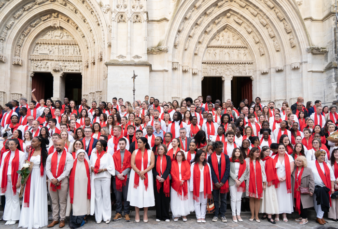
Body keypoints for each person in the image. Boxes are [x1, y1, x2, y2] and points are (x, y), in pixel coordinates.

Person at [19, 137, 48, 229]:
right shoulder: (30, 152)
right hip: (30, 175)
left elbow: (47, 166)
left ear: (39, 143)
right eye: (32, 141)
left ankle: (38, 220)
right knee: (31, 195)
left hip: (40, 176)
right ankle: (28, 220)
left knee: (38, 195)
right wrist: (23, 178)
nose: (32, 142)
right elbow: (26, 164)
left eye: (34, 141)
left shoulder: (44, 153)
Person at [46, 139, 74, 228]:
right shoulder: (50, 156)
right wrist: (52, 179)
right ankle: (55, 219)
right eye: (56, 145)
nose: (57, 146)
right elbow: (47, 169)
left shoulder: (68, 156)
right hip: (51, 181)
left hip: (63, 180)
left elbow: (67, 170)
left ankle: (62, 219)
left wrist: (58, 179)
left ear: (64, 145)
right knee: (54, 201)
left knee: (62, 201)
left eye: (59, 145)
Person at [127, 137, 155, 222]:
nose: (138, 144)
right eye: (137, 142)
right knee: (137, 192)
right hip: (136, 174)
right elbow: (132, 164)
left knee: (146, 193)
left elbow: (152, 164)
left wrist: (143, 172)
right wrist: (140, 172)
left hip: (147, 175)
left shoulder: (150, 152)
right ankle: (137, 214)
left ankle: (145, 214)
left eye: (140, 142)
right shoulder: (134, 152)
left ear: (145, 143)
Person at [0, 139, 25, 225]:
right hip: (6, 177)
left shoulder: (22, 154)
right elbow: (2, 167)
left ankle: (14, 217)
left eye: (12, 144)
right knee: (8, 198)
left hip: (15, 178)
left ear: (16, 145)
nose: (10, 146)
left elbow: (22, 169)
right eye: (9, 144)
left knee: (15, 198)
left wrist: (19, 181)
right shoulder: (5, 154)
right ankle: (7, 217)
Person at [90, 140, 115, 224]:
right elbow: (90, 164)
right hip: (96, 177)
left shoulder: (108, 155)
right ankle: (98, 217)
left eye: (99, 144)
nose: (97, 146)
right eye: (96, 144)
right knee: (97, 197)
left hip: (105, 177)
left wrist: (103, 169)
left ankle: (106, 216)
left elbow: (111, 166)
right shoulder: (93, 155)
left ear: (103, 146)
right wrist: (92, 168)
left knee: (106, 196)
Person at [66, 149, 91, 228]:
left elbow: (90, 173)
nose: (82, 157)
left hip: (84, 186)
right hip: (75, 186)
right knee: (76, 202)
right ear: (77, 155)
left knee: (83, 201)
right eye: (80, 155)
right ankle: (74, 218)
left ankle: (82, 217)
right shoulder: (73, 162)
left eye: (83, 155)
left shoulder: (88, 163)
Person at [309, 150, 335, 225]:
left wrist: (332, 188)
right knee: (317, 202)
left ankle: (320, 217)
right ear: (317, 156)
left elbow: (332, 177)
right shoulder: (311, 163)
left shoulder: (327, 164)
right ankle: (319, 217)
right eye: (321, 155)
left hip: (326, 186)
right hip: (316, 186)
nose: (323, 157)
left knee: (323, 202)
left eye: (324, 155)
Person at [208, 141, 230, 223]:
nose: (221, 148)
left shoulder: (226, 157)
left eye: (222, 147)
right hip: (215, 182)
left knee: (223, 199)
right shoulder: (210, 157)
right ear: (215, 148)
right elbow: (211, 170)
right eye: (220, 147)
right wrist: (216, 181)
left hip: (224, 182)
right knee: (216, 199)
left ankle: (223, 214)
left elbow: (227, 170)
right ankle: (216, 214)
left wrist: (223, 182)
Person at [273, 144, 295, 222]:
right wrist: (277, 178)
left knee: (285, 197)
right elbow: (271, 169)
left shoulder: (289, 157)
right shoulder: (273, 158)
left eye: (283, 148)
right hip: (276, 180)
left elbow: (291, 169)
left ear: (285, 149)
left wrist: (285, 177)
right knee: (277, 197)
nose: (281, 149)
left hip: (286, 180)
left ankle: (284, 214)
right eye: (280, 148)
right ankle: (277, 214)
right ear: (277, 149)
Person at [190, 150, 212, 223]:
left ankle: (203, 216)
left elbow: (210, 177)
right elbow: (191, 177)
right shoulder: (193, 165)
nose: (203, 157)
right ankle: (198, 217)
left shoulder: (207, 165)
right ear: (198, 156)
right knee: (197, 202)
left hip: (205, 186)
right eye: (201, 155)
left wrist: (210, 187)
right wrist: (191, 187)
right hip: (196, 186)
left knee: (204, 202)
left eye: (204, 155)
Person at [170, 150, 193, 221]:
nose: (178, 157)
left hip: (184, 183)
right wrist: (177, 181)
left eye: (180, 155)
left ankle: (184, 214)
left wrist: (182, 180)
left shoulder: (186, 163)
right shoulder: (173, 163)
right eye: (177, 155)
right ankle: (176, 214)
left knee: (183, 199)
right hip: (175, 183)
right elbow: (172, 173)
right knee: (176, 199)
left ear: (183, 156)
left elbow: (188, 172)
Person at [112, 138, 131, 222]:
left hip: (126, 177)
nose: (121, 145)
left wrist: (123, 174)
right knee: (118, 196)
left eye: (123, 144)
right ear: (118, 145)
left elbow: (130, 165)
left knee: (126, 196)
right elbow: (112, 166)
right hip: (117, 177)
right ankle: (118, 212)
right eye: (120, 144)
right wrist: (118, 174)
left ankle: (126, 212)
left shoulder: (129, 154)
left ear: (126, 144)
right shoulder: (114, 154)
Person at [245, 147, 266, 222]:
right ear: (252, 152)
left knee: (257, 199)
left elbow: (263, 173)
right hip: (250, 182)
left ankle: (257, 216)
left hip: (259, 182)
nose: (258, 153)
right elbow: (245, 172)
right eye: (256, 152)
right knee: (251, 199)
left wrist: (264, 183)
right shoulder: (247, 160)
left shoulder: (261, 161)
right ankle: (252, 215)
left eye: (258, 152)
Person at [292, 155, 314, 225]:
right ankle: (301, 216)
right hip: (295, 189)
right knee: (298, 203)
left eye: (300, 161)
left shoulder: (308, 170)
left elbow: (311, 180)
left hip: (304, 190)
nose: (298, 162)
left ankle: (305, 218)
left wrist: (311, 189)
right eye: (297, 160)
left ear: (303, 162)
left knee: (303, 204)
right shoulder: (294, 168)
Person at [259, 146, 279, 224]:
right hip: (261, 180)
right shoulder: (260, 160)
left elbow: (273, 171)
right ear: (262, 151)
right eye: (266, 151)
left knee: (269, 197)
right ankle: (264, 213)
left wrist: (270, 180)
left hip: (269, 181)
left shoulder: (271, 159)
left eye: (269, 151)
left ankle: (269, 215)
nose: (268, 153)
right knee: (263, 198)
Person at [153, 144, 171, 222]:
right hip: (157, 180)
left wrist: (163, 177)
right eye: (159, 149)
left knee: (165, 199)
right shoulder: (155, 157)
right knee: (158, 198)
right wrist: (157, 176)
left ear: (164, 150)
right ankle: (158, 216)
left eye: (161, 149)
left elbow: (168, 168)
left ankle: (166, 216)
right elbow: (153, 169)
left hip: (165, 180)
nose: (160, 150)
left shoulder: (168, 158)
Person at [229, 148, 247, 222]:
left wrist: (240, 180)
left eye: (238, 151)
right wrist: (235, 179)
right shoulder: (230, 160)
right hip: (232, 181)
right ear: (233, 153)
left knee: (239, 199)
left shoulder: (243, 161)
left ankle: (238, 214)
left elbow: (245, 172)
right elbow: (229, 171)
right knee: (233, 199)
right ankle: (234, 215)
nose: (237, 152)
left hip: (241, 182)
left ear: (240, 153)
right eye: (236, 151)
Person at [329, 148, 338, 220]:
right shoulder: (329, 162)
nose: (336, 154)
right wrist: (335, 182)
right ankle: (333, 216)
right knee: (332, 199)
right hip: (332, 183)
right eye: (335, 152)